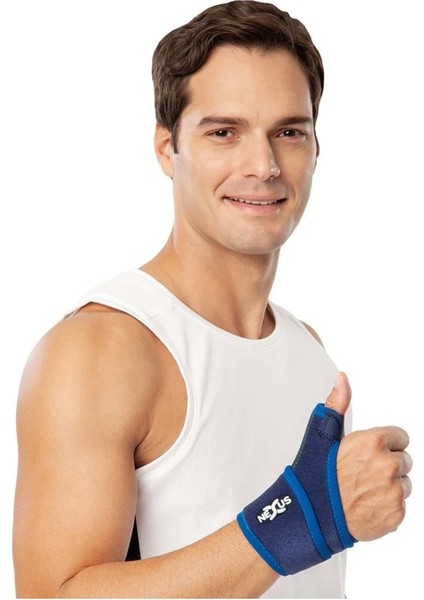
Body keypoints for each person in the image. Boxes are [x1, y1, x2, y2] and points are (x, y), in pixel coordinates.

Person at [13, 1, 412, 598]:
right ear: (167, 149)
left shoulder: (311, 353)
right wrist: (299, 521)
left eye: (289, 132)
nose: (264, 165)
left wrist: (316, 519)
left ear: (316, 148)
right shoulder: (101, 349)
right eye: (224, 132)